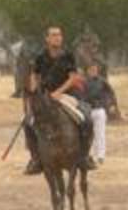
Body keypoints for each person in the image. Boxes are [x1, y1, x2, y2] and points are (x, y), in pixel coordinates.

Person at [24, 25, 94, 174]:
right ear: (47, 39)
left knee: (86, 118)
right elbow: (34, 76)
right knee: (28, 122)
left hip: (67, 95)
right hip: (46, 97)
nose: (58, 38)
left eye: (59, 35)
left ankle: (84, 156)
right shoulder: (40, 56)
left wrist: (58, 92)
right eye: (54, 35)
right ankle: (36, 158)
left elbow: (73, 77)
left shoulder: (68, 55)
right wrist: (34, 90)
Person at [81, 63, 114, 165]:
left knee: (100, 133)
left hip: (99, 110)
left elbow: (111, 93)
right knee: (87, 134)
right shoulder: (83, 82)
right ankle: (87, 155)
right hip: (87, 111)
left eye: (95, 69)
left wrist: (109, 105)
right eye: (91, 69)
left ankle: (100, 156)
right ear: (87, 71)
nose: (93, 71)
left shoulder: (102, 81)